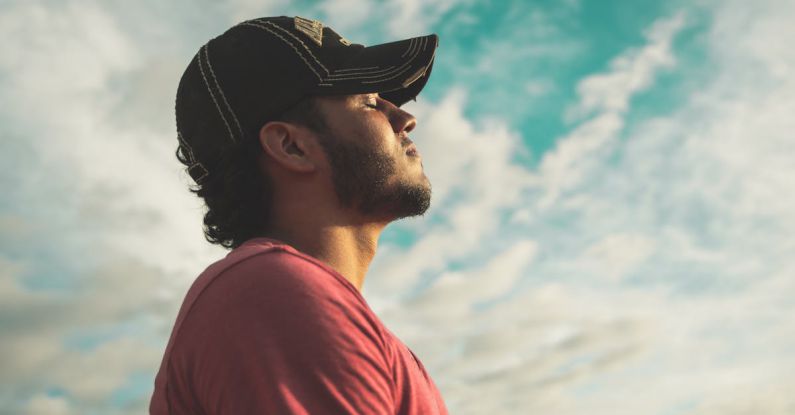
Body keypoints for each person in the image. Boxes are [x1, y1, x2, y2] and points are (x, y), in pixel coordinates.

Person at [149, 15, 447, 414]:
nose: (404, 118)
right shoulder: (272, 293)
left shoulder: (290, 299)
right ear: (291, 147)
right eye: (370, 103)